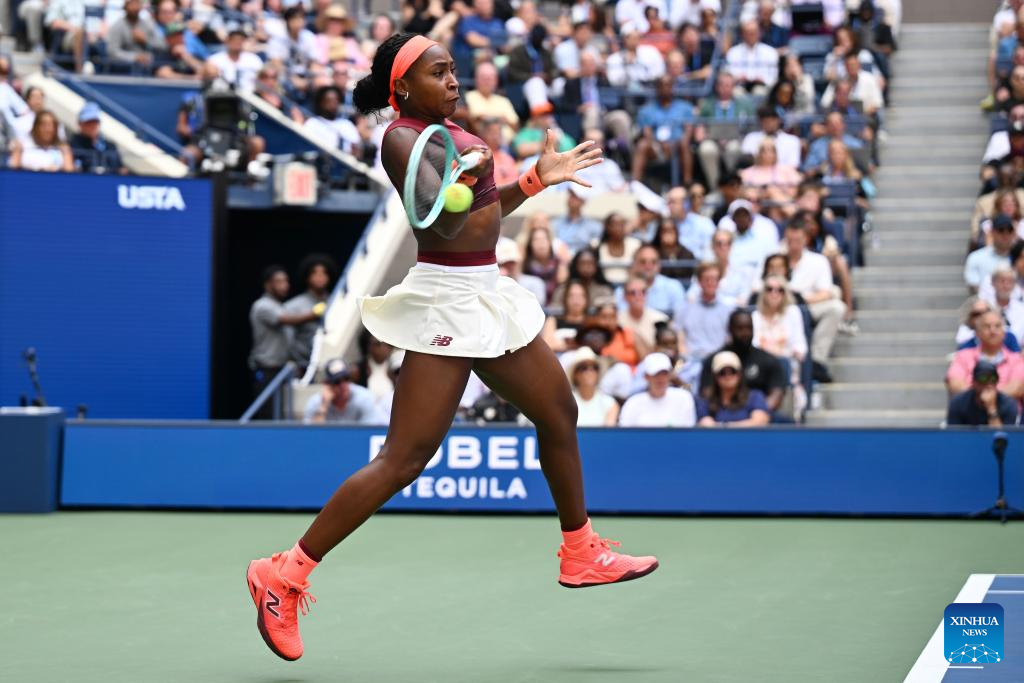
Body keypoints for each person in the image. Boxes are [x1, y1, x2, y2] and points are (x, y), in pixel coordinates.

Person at [245, 33, 658, 662]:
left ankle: (580, 551)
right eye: (439, 72)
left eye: (453, 70)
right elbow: (441, 221)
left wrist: (533, 180)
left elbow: (482, 217)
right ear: (403, 86)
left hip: (485, 291)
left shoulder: (450, 135)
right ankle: (284, 573)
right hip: (445, 301)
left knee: (559, 412)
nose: (454, 81)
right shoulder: (401, 138)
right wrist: (475, 177)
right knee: (404, 459)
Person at [249, 265, 324, 417]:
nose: (284, 285)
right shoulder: (262, 306)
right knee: (268, 414)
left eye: (286, 281)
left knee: (282, 413)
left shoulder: (280, 306)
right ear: (268, 284)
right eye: (279, 282)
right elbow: (288, 320)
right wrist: (314, 313)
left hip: (282, 370)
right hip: (267, 369)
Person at [701, 310, 787, 418]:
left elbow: (776, 394)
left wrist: (757, 412)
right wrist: (731, 415)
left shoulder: (769, 361)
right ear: (730, 329)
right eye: (740, 328)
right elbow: (707, 394)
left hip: (760, 417)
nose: (745, 333)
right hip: (721, 415)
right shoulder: (714, 360)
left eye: (749, 328)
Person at [946, 310, 1024, 400]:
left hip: (1006, 408)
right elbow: (955, 384)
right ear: (977, 333)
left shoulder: (1017, 360)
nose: (992, 330)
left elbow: (1017, 388)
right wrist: (981, 400)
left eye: (997, 326)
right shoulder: (962, 356)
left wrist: (989, 399)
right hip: (970, 407)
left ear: (1004, 332)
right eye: (987, 326)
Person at [284, 254, 336, 368]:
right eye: (315, 273)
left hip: (332, 363)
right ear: (307, 277)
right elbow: (287, 342)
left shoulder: (337, 301)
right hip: (303, 366)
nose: (320, 277)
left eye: (324, 273)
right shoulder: (293, 306)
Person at [618, 352, 697, 427]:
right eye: (655, 374)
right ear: (646, 376)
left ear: (670, 375)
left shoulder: (683, 398)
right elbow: (625, 433)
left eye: (664, 373)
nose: (660, 378)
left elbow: (686, 432)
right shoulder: (633, 403)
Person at [696, 350, 771, 427]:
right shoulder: (706, 401)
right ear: (715, 376)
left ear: (740, 374)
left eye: (733, 371)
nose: (728, 376)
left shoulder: (755, 397)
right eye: (722, 372)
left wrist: (724, 426)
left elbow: (759, 421)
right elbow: (705, 424)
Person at [304, 358, 387, 425]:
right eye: (337, 381)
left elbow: (370, 434)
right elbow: (312, 436)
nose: (343, 385)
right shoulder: (316, 402)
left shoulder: (364, 397)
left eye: (346, 378)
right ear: (327, 384)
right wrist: (323, 406)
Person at [946, 360, 1019, 427]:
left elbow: (1001, 436)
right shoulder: (958, 403)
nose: (989, 384)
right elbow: (954, 435)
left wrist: (991, 408)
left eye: (993, 379)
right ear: (973, 382)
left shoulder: (1009, 404)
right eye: (983, 378)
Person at [566, 347, 619, 426]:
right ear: (575, 374)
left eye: (595, 367)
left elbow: (608, 432)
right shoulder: (566, 403)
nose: (590, 371)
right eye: (584, 368)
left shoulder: (610, 404)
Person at [69, 102, 126, 174]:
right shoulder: (71, 146)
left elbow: (121, 169)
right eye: (88, 122)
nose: (92, 126)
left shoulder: (111, 146)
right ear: (80, 124)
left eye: (95, 122)